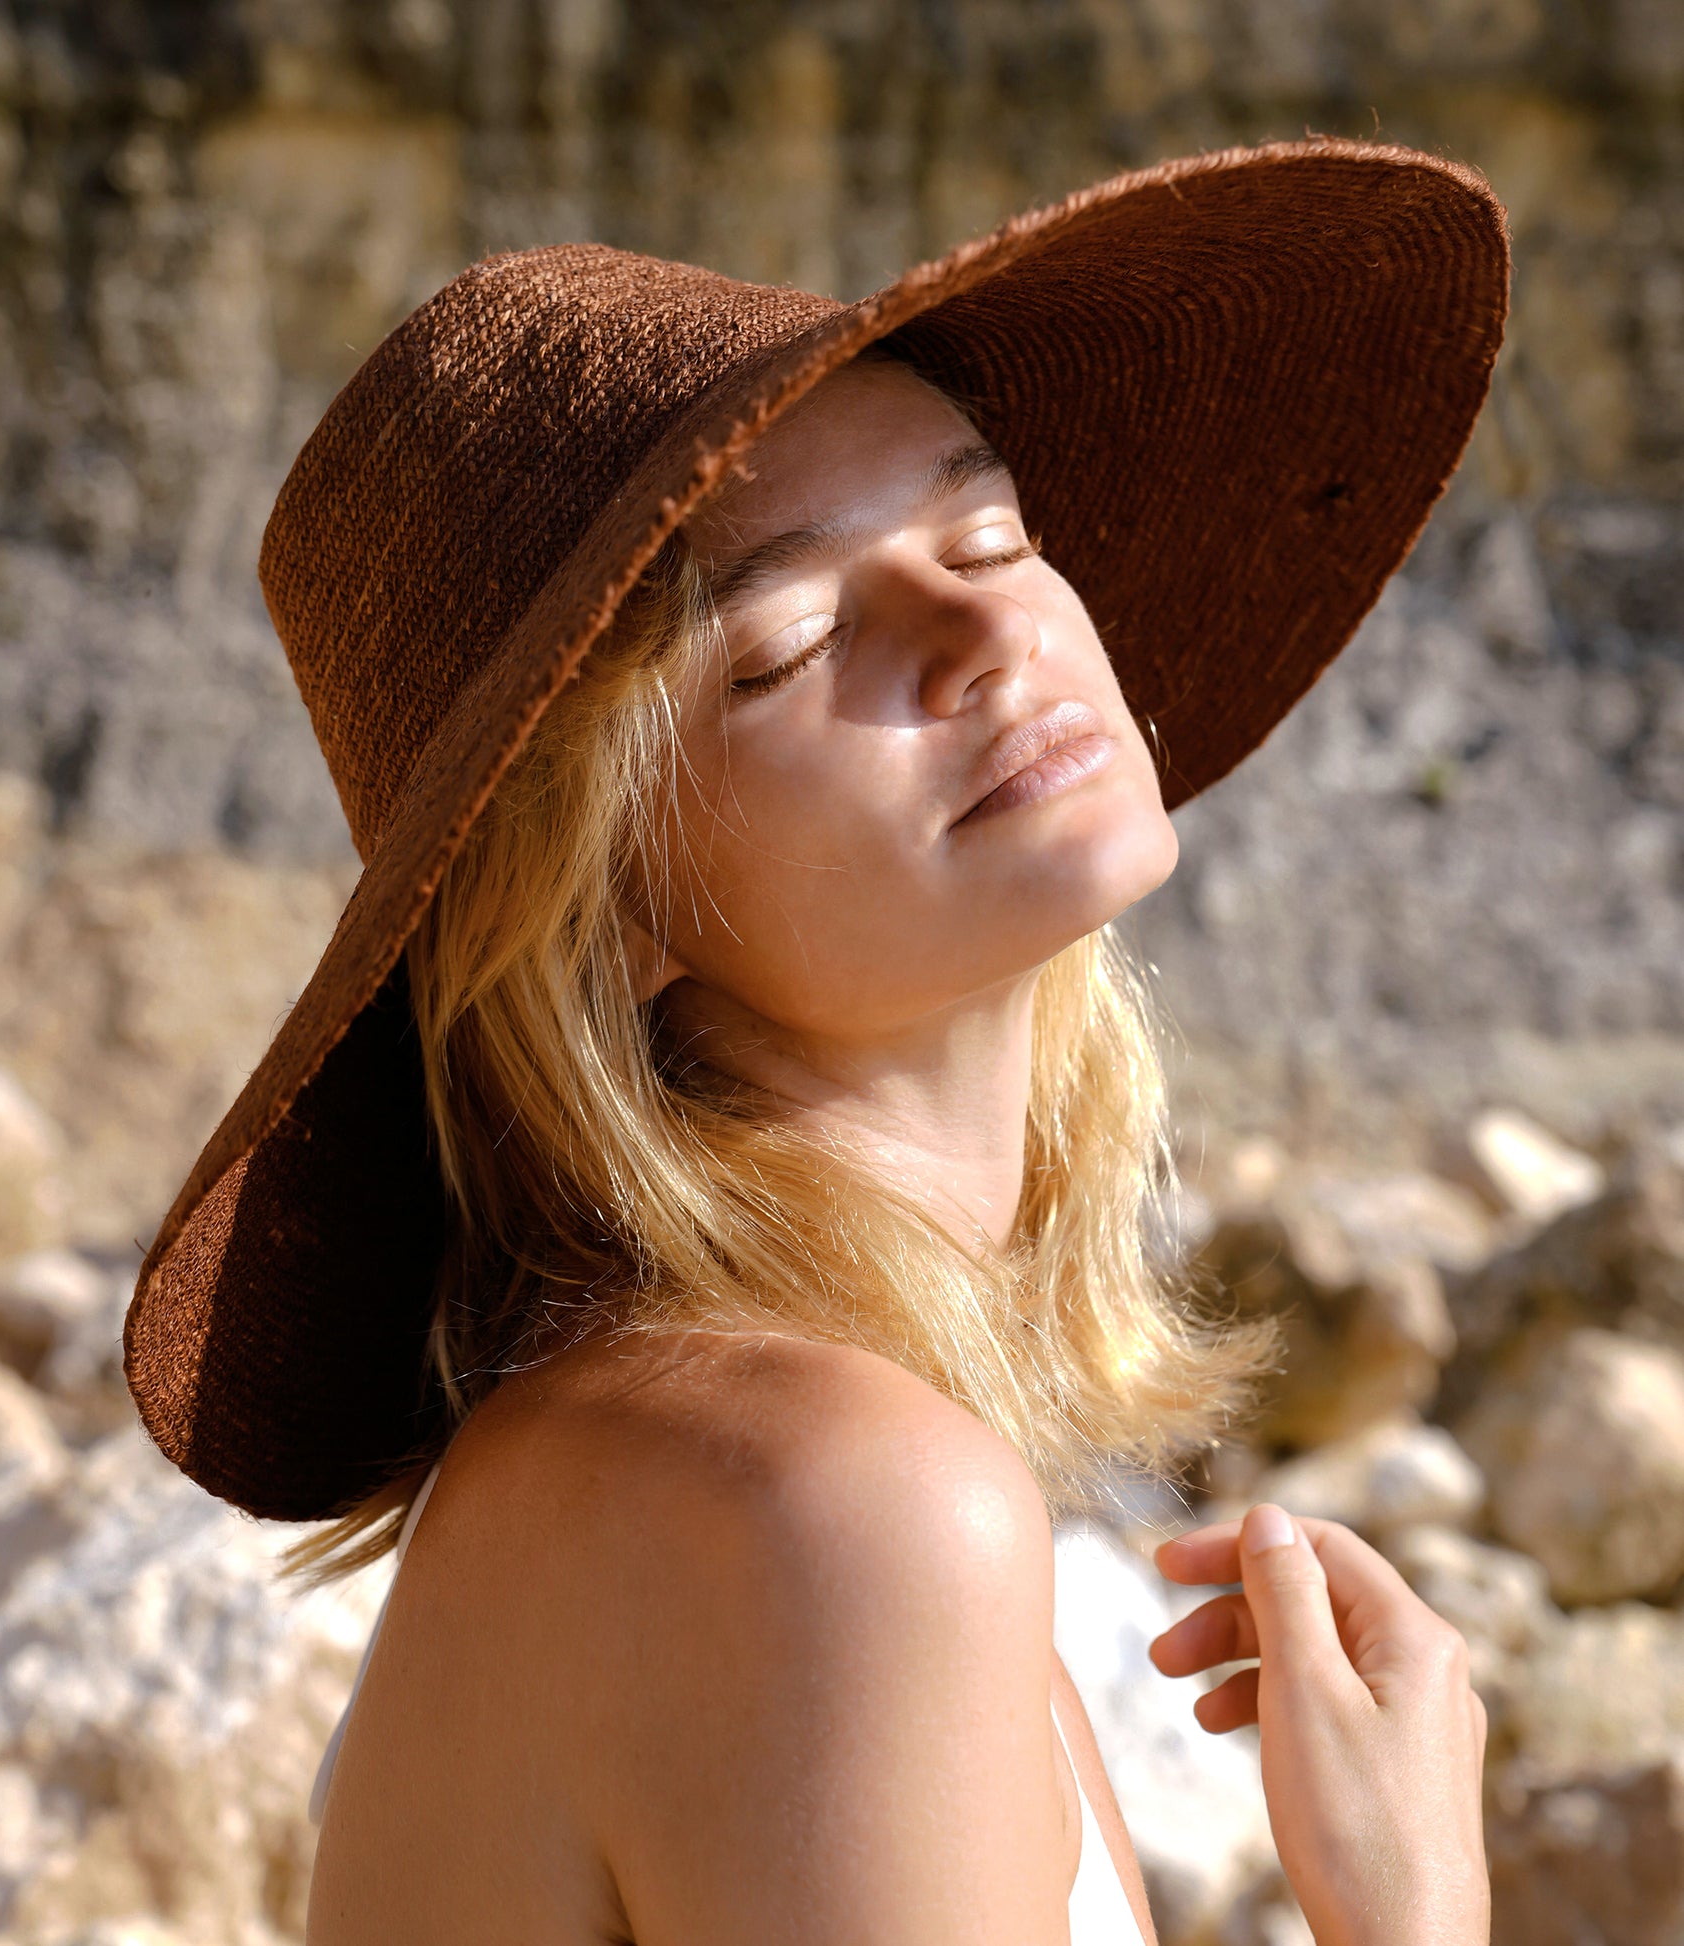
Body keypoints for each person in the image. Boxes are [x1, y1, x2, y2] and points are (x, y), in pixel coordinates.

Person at [124, 140, 1510, 1944]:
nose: (982, 626)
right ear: (602, 911)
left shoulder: (742, 1454)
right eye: (785, 645)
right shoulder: (829, 1509)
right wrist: (1415, 1914)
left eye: (989, 533)